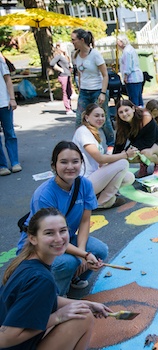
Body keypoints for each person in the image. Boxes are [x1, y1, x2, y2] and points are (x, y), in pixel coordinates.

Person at [1, 208, 112, 349]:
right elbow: (4, 338)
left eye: (63, 231)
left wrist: (86, 305)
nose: (59, 239)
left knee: (82, 310)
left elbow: (41, 299)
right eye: (49, 233)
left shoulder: (26, 262)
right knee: (83, 317)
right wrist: (58, 317)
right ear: (32, 238)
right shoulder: (41, 279)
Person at [16, 141, 108, 296]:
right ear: (54, 166)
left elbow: (85, 221)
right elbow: (50, 237)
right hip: (41, 244)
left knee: (100, 250)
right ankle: (54, 297)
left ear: (81, 163)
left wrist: (82, 252)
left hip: (65, 238)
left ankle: (73, 277)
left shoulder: (84, 184)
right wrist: (82, 255)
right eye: (64, 162)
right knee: (68, 262)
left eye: (75, 161)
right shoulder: (44, 195)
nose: (70, 167)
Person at [72, 103, 136, 209]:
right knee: (123, 163)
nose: (100, 118)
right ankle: (101, 202)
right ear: (87, 117)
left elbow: (100, 161)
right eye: (96, 115)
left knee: (128, 177)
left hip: (92, 177)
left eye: (102, 115)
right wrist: (125, 154)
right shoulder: (83, 132)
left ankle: (99, 196)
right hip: (83, 183)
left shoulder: (93, 132)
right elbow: (99, 158)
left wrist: (109, 162)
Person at [71, 28, 115, 147]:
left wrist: (103, 93)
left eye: (73, 40)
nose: (72, 42)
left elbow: (105, 75)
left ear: (82, 40)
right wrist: (80, 89)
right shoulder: (76, 55)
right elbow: (80, 73)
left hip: (97, 90)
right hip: (84, 92)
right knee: (80, 119)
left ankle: (112, 145)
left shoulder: (95, 54)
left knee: (102, 119)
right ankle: (79, 145)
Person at [113, 100, 158, 178]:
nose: (124, 114)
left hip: (157, 144)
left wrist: (129, 151)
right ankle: (144, 164)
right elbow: (119, 145)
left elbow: (149, 141)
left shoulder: (145, 117)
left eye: (126, 110)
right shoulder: (122, 124)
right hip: (140, 146)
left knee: (145, 153)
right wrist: (114, 159)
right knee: (123, 156)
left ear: (133, 109)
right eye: (121, 112)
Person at [0, 51, 20, 176]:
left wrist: (12, 98)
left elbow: (7, 79)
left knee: (10, 132)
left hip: (3, 101)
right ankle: (2, 165)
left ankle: (14, 162)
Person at [117, 35, 144, 107]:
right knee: (138, 98)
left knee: (133, 99)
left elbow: (128, 65)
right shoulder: (130, 49)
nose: (117, 44)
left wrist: (125, 76)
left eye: (118, 42)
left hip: (132, 78)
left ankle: (135, 113)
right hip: (137, 77)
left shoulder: (126, 52)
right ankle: (140, 110)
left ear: (122, 42)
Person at [50, 43, 75, 116]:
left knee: (69, 91)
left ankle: (70, 107)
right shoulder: (58, 56)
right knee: (65, 92)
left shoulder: (65, 55)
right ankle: (68, 109)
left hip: (68, 75)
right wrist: (60, 69)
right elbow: (52, 63)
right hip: (63, 76)